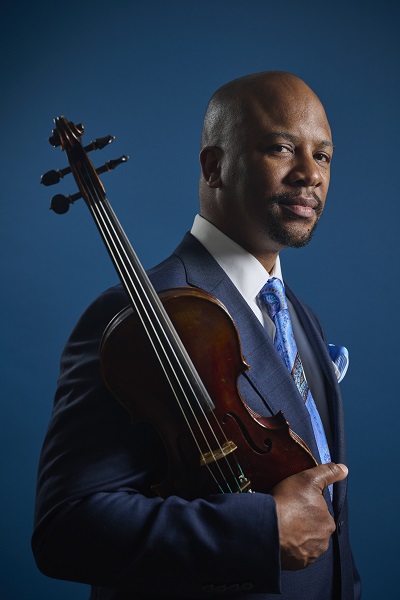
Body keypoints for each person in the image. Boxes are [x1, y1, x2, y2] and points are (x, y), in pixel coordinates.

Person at [32, 71, 361, 599]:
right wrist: (260, 531)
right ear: (214, 166)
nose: (309, 174)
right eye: (281, 148)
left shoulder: (301, 315)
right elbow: (66, 529)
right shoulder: (138, 316)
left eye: (322, 156)